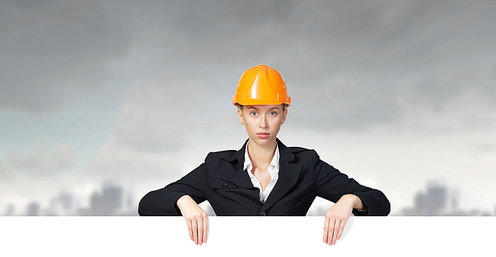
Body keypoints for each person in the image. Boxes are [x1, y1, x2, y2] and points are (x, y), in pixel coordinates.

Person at [138, 64, 391, 245]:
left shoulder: (306, 165)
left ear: (284, 114)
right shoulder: (217, 166)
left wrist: (348, 200)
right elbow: (147, 204)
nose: (263, 124)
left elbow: (379, 201)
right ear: (240, 114)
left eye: (272, 112)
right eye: (253, 112)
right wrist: (184, 201)